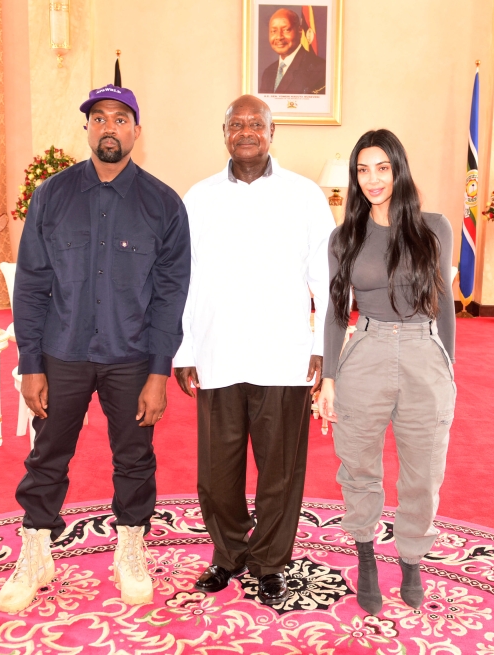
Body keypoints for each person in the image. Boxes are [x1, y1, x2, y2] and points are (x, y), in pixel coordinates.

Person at [0, 85, 190, 614]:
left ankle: (130, 546)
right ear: (87, 128)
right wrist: (30, 364)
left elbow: (171, 295)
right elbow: (31, 284)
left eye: (121, 119)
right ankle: (36, 551)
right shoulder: (52, 196)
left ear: (136, 131)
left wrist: (158, 371)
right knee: (47, 454)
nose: (110, 127)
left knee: (134, 457)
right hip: (63, 352)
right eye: (99, 118)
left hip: (131, 356)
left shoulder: (164, 204)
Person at [172, 95, 333, 606]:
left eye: (256, 124)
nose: (247, 132)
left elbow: (327, 277)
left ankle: (268, 562)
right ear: (223, 133)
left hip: (283, 356)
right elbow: (180, 279)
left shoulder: (304, 196)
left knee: (280, 472)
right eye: (236, 124)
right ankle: (228, 554)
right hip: (217, 354)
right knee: (217, 475)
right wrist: (183, 348)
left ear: (271, 132)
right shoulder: (196, 198)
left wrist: (320, 343)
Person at [316, 129, 456, 615]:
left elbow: (444, 306)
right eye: (363, 169)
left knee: (424, 473)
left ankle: (413, 558)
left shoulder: (435, 227)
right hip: (367, 351)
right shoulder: (345, 236)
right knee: (358, 467)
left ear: (398, 169)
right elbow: (337, 312)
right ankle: (365, 554)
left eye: (382, 168)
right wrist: (328, 380)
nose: (372, 179)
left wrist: (447, 370)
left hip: (423, 351)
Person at [258, 8, 326, 95]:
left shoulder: (319, 69)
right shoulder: (268, 73)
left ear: (300, 31)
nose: (279, 37)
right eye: (273, 31)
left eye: (286, 30)